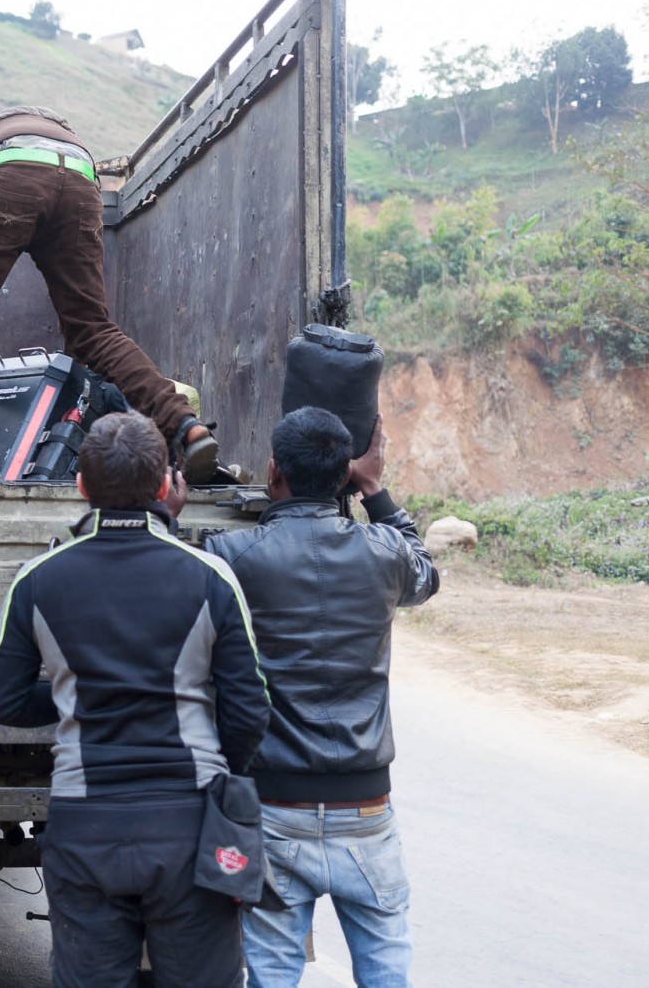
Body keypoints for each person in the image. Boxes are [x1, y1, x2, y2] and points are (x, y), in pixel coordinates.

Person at [0, 412, 270, 988]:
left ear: (80, 488)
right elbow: (248, 711)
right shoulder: (211, 577)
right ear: (165, 486)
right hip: (189, 824)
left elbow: (1, 701)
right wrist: (220, 781)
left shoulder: (37, 578)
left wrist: (74, 701)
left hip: (84, 827)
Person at [203, 408, 439, 988]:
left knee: (273, 971)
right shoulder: (384, 551)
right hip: (366, 807)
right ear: (345, 477)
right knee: (386, 969)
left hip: (275, 806)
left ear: (273, 469)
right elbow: (426, 574)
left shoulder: (233, 557)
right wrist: (375, 489)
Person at [0, 105, 220, 484]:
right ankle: (185, 427)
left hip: (10, 172)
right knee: (92, 329)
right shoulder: (22, 125)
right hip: (80, 173)